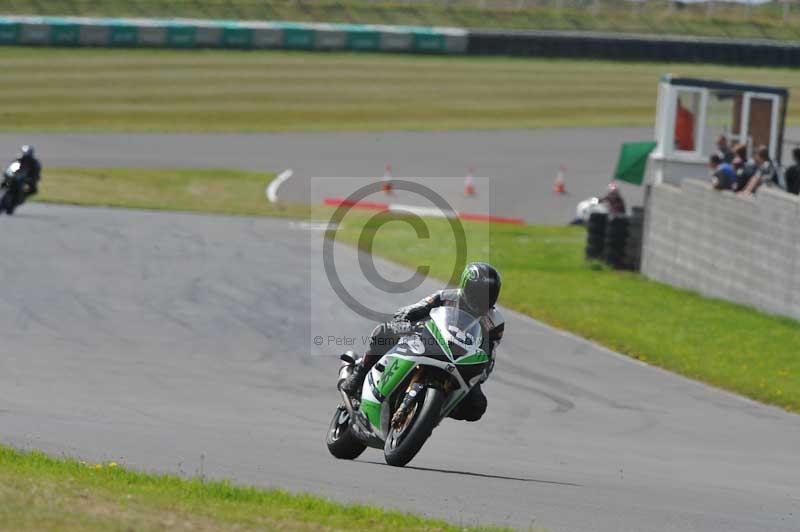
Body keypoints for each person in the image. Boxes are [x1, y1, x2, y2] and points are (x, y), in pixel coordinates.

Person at [341, 262, 504, 422]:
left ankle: (432, 409)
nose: (483, 299)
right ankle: (360, 373)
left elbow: (490, 352)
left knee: (477, 406)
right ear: (466, 287)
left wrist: (482, 374)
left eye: (489, 295)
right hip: (430, 340)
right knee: (383, 332)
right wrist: (403, 320)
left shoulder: (496, 321)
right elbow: (414, 309)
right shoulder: (446, 296)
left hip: (461, 357)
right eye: (479, 293)